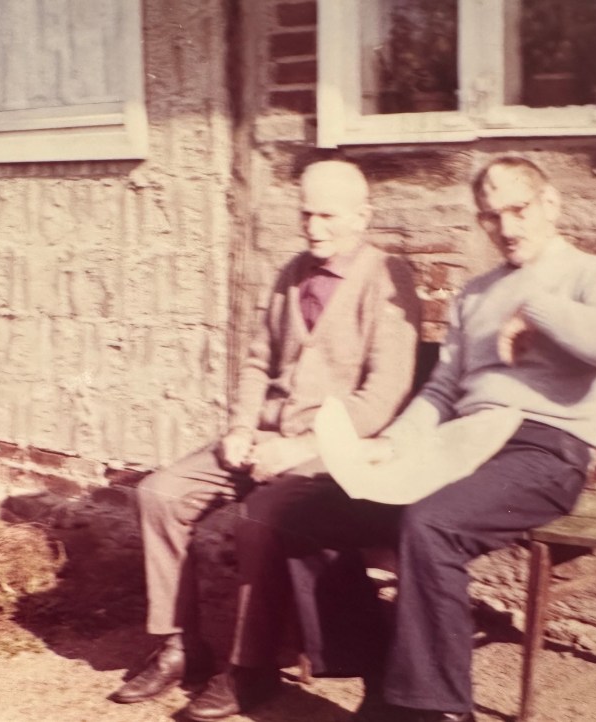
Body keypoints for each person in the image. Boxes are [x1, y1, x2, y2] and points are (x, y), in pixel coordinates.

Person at [228, 155, 596, 722]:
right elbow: (444, 390)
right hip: (462, 444)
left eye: (518, 209)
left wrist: (538, 309)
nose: (506, 228)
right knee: (309, 515)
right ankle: (383, 677)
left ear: (550, 204)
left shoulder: (593, 274)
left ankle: (437, 710)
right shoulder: (475, 294)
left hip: (544, 451)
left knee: (430, 525)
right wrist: (392, 444)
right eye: (490, 216)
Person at [111, 160, 421, 717]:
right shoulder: (292, 273)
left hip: (332, 451)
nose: (313, 227)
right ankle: (179, 645)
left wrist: (303, 447)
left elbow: (384, 396)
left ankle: (250, 669)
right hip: (265, 434)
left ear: (362, 216)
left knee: (261, 519)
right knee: (160, 493)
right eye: (306, 214)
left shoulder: (387, 278)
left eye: (328, 216)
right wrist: (239, 426)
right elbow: (257, 362)